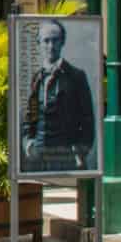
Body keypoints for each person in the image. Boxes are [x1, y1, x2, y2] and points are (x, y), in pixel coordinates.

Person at [20, 19, 96, 171]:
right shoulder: (36, 77)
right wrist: (29, 142)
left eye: (55, 40)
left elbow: (87, 119)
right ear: (39, 43)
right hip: (38, 156)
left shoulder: (76, 76)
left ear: (62, 42)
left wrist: (79, 151)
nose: (50, 46)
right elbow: (30, 114)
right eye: (46, 41)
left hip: (66, 156)